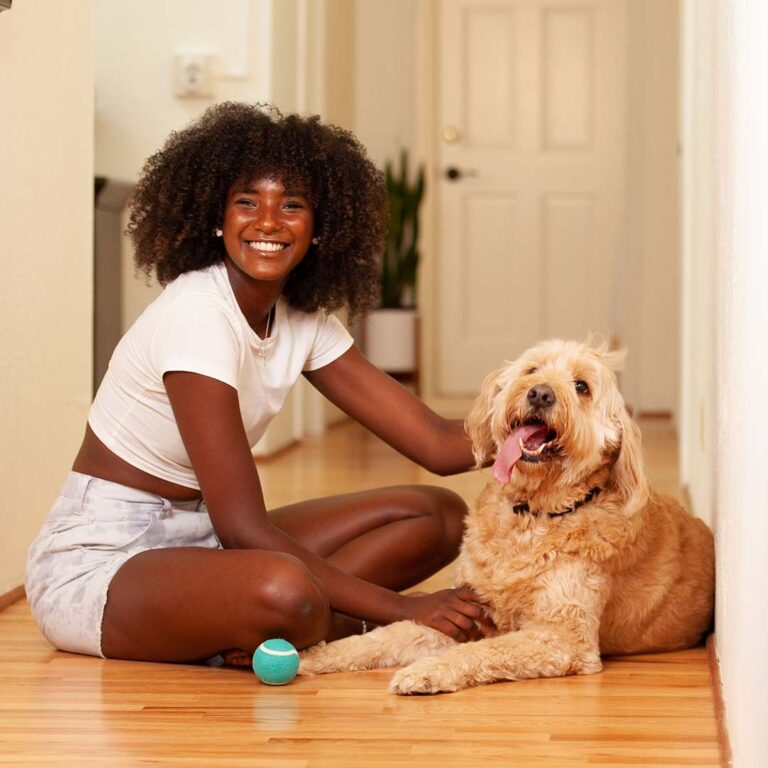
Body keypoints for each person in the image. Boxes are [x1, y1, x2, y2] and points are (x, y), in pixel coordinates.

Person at [25, 102, 484, 665]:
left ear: (321, 227)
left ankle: (260, 632)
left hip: (206, 541)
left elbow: (435, 442)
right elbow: (243, 526)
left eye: (291, 205)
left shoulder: (303, 319)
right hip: (102, 561)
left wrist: (551, 430)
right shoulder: (198, 313)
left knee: (438, 516)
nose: (268, 222)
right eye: (248, 202)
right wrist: (405, 609)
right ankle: (270, 622)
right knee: (282, 591)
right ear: (217, 217)